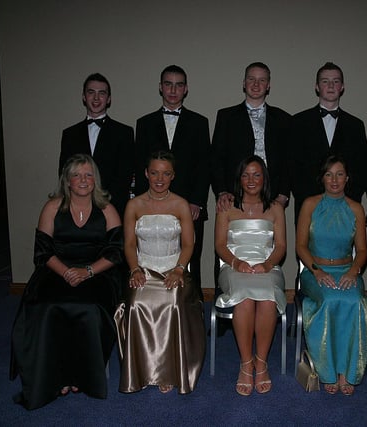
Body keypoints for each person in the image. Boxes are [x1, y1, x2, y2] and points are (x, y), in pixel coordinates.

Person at [10, 154, 123, 410]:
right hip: (57, 271)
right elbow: (42, 252)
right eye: (77, 175)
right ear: (67, 181)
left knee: (90, 309)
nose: (83, 180)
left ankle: (83, 377)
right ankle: (55, 377)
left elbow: (115, 253)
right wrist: (67, 272)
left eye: (88, 174)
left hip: (98, 273)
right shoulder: (52, 207)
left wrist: (87, 272)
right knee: (47, 308)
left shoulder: (107, 209)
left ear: (95, 180)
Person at [115, 151, 205, 395]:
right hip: (143, 268)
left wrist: (178, 270)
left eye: (166, 173)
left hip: (173, 268)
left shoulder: (180, 204)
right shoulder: (134, 205)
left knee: (172, 301)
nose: (159, 178)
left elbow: (188, 244)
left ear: (173, 176)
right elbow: (129, 244)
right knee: (135, 303)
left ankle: (169, 371)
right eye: (154, 172)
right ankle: (142, 369)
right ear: (146, 173)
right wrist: (134, 269)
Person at [296, 154, 367, 395]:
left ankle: (346, 372)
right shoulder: (310, 204)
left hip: (347, 270)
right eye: (329, 174)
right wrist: (317, 272)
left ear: (347, 178)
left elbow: (362, 250)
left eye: (340, 174)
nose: (334, 180)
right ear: (322, 178)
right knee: (330, 300)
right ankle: (327, 371)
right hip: (314, 271)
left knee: (355, 302)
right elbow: (300, 246)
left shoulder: (356, 208)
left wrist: (354, 271)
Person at [134, 65, 211, 300]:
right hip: (151, 205)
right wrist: (141, 206)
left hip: (190, 205)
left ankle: (193, 308)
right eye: (168, 84)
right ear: (160, 87)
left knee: (192, 259)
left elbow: (203, 165)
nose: (173, 90)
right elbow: (140, 166)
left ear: (186, 89)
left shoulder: (200, 122)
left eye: (179, 85)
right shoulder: (144, 123)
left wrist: (197, 201)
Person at [214, 155, 286, 396]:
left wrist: (267, 264)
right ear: (239, 179)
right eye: (246, 175)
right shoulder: (227, 207)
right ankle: (246, 364)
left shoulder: (276, 208)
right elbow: (220, 246)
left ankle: (261, 362)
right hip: (233, 267)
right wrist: (237, 262)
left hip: (268, 267)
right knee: (243, 298)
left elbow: (281, 247)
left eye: (256, 174)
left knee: (267, 298)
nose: (251, 180)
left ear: (264, 177)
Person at [291, 62, 367, 222]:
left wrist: (348, 199)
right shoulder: (298, 122)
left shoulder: (356, 125)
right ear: (317, 87)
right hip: (309, 206)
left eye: (336, 81)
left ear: (342, 87)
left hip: (345, 205)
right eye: (325, 81)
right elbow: (292, 166)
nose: (331, 85)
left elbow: (361, 167)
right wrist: (308, 199)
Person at [211, 62, 291, 213]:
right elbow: (217, 157)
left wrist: (283, 195)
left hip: (272, 197)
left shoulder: (283, 119)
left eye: (262, 80)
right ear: (244, 83)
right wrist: (221, 191)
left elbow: (288, 160)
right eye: (251, 79)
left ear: (268, 85)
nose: (256, 84)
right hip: (233, 196)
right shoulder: (226, 117)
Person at [59, 72, 134, 218]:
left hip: (112, 208)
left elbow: (124, 177)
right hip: (76, 209)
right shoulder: (69, 134)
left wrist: (106, 206)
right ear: (83, 97)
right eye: (91, 92)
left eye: (102, 93)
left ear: (109, 99)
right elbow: (64, 174)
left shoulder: (124, 132)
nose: (96, 98)